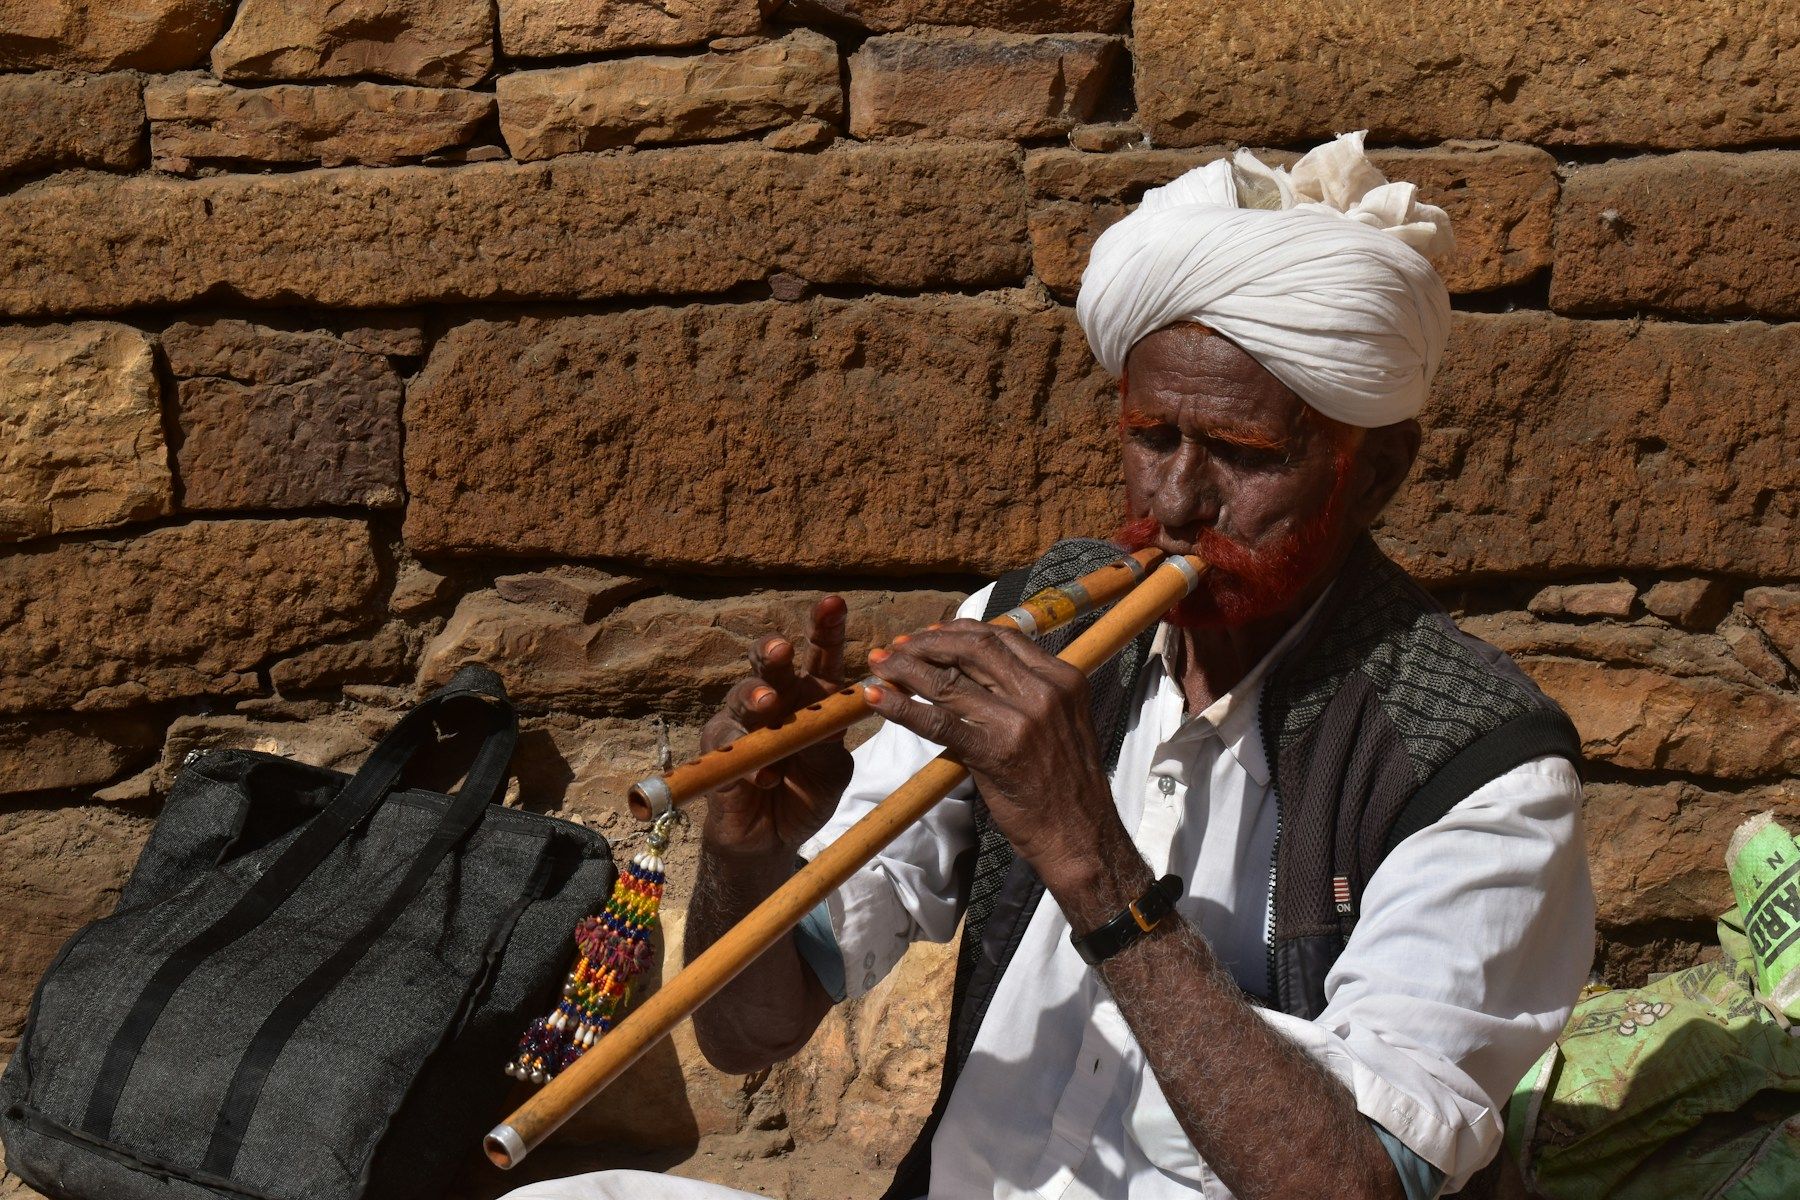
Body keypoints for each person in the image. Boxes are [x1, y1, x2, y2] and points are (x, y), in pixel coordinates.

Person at [504, 133, 1595, 1200]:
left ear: (1377, 473)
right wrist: (750, 853)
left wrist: (1090, 856)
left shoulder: (1481, 770)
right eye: (1152, 437)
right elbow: (746, 1036)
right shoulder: (1029, 620)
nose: (1178, 502)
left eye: (1245, 456)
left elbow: (1354, 1183)